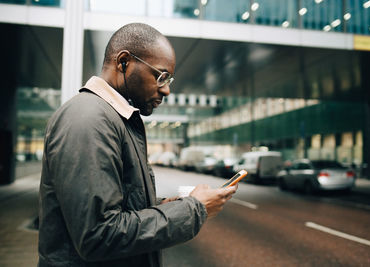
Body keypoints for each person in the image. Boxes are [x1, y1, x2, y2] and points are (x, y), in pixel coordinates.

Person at [38, 23, 237, 267]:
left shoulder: (115, 118)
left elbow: (118, 207)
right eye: (161, 76)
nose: (166, 90)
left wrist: (166, 206)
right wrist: (193, 210)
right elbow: (99, 235)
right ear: (123, 62)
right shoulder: (89, 119)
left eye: (169, 79)